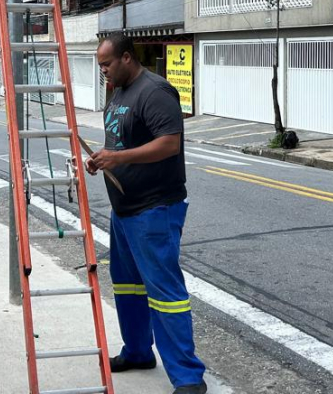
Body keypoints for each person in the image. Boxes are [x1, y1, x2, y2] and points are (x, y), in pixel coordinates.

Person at [87, 33, 207, 394]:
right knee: (127, 287)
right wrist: (102, 158)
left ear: (126, 58)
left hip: (155, 208)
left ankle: (188, 378)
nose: (103, 71)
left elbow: (169, 143)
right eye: (100, 66)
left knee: (164, 292)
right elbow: (121, 142)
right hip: (124, 210)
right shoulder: (119, 93)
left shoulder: (155, 91)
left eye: (107, 64)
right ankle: (138, 351)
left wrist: (118, 158)